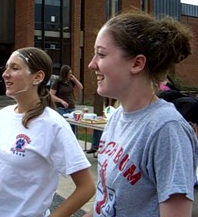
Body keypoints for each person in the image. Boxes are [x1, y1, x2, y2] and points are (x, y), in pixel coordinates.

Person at [83, 11, 198, 217]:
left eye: (101, 54)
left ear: (137, 64)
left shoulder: (167, 129)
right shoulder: (118, 117)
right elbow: (107, 200)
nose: (92, 64)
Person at [0, 47, 95, 217]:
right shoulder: (1, 117)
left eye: (15, 68)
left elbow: (86, 187)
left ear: (38, 77)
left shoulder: (53, 125)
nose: (5, 74)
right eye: (6, 68)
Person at [50, 65, 83, 133]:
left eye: (71, 73)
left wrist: (74, 78)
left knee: (73, 128)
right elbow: (51, 95)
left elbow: (80, 87)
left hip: (71, 107)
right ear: (65, 74)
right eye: (69, 73)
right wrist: (61, 101)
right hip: (61, 109)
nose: (70, 75)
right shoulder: (58, 82)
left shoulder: (70, 81)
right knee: (63, 128)